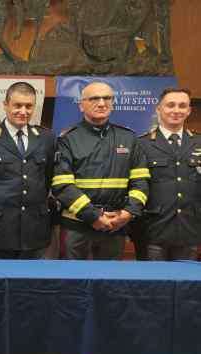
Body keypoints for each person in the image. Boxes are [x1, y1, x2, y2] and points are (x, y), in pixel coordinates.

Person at [52, 81, 150, 260]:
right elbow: (62, 185)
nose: (102, 103)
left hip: (116, 225)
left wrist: (128, 213)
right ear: (81, 105)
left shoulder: (128, 139)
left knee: (110, 283)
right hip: (77, 226)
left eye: (107, 98)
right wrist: (94, 216)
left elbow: (141, 182)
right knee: (72, 281)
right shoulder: (68, 139)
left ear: (112, 103)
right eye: (94, 98)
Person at [0, 82, 55, 259]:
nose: (23, 111)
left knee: (31, 283)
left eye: (29, 106)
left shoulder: (47, 139)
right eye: (17, 105)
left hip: (34, 229)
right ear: (5, 105)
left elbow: (47, 179)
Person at [134, 87, 200, 261]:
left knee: (186, 286)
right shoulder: (142, 144)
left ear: (189, 110)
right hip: (153, 230)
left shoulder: (198, 143)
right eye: (171, 105)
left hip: (190, 230)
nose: (176, 110)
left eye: (182, 105)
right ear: (159, 109)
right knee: (151, 285)